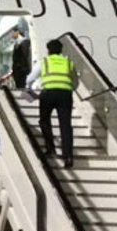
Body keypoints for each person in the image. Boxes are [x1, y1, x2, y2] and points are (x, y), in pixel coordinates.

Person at [28, 39, 76, 168]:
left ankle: (50, 149)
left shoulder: (44, 62)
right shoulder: (68, 62)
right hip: (65, 95)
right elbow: (75, 81)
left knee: (44, 121)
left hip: (48, 94)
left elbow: (30, 78)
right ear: (61, 50)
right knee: (65, 126)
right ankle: (68, 157)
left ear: (48, 50)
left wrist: (29, 88)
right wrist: (69, 88)